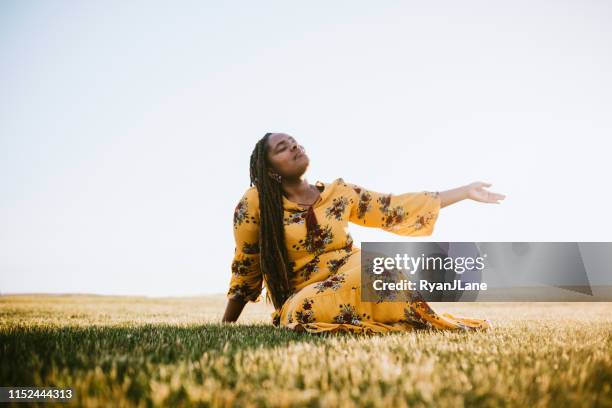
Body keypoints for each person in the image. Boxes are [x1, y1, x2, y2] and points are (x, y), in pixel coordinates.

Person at [222, 132, 506, 333]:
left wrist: (465, 192)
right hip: (305, 293)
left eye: (295, 142)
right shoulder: (256, 202)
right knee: (303, 311)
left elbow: (393, 207)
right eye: (282, 147)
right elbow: (246, 264)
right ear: (270, 169)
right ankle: (387, 319)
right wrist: (227, 325)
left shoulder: (339, 193)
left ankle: (398, 318)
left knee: (380, 267)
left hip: (351, 271)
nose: (294, 146)